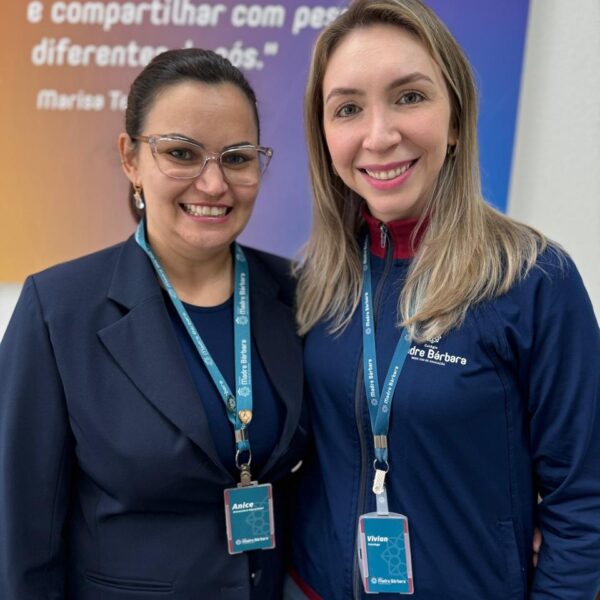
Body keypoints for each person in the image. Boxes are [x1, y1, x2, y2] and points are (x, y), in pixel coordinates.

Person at [287, 1, 600, 598]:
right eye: (348, 108)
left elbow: (584, 502)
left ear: (455, 118)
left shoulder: (534, 281)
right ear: (324, 137)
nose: (379, 135)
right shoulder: (315, 282)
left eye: (409, 97)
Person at [0, 48, 307, 599]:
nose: (213, 185)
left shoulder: (299, 294)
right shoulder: (58, 310)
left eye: (237, 158)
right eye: (182, 153)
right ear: (131, 159)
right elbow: (20, 535)